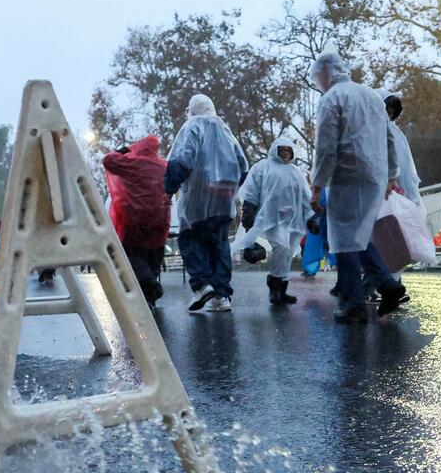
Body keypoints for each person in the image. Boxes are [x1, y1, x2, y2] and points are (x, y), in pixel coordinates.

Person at [309, 50, 404, 323]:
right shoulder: (372, 96)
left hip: (347, 176)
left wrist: (317, 185)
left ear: (326, 72)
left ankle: (353, 303)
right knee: (359, 235)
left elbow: (326, 148)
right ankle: (387, 284)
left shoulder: (332, 99)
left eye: (319, 76)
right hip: (374, 176)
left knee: (343, 240)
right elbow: (389, 137)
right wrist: (391, 175)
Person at [165, 93, 247, 313]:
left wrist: (168, 188)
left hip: (196, 200)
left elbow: (182, 159)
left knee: (191, 240)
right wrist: (230, 190)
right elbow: (242, 163)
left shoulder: (191, 127)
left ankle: (202, 285)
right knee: (219, 245)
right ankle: (221, 295)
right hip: (223, 201)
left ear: (192, 109)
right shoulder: (225, 129)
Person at [235, 132, 311, 306]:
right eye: (282, 150)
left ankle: (281, 290)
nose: (285, 153)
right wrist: (249, 214)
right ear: (275, 150)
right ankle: (274, 287)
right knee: (282, 248)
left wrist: (311, 217)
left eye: (288, 150)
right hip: (270, 218)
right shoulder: (262, 167)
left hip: (291, 221)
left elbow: (306, 196)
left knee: (287, 254)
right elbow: (251, 191)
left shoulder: (296, 171)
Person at [104, 135, 173, 308]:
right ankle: (149, 295)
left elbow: (108, 161)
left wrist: (125, 150)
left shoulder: (132, 163)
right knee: (154, 254)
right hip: (160, 219)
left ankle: (149, 285)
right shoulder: (165, 166)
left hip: (134, 219)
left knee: (133, 254)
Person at [384, 91, 422, 200]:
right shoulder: (392, 133)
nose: (388, 117)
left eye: (391, 114)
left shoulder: (395, 133)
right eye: (387, 112)